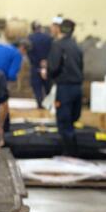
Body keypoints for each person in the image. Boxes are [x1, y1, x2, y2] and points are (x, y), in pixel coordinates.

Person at [47, 19, 83, 156]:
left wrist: (48, 72)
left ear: (59, 29)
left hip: (65, 89)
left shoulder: (57, 45)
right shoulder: (77, 46)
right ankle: (74, 153)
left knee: (64, 123)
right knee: (71, 122)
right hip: (77, 88)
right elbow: (80, 67)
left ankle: (69, 156)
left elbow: (54, 67)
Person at [28, 21, 53, 108]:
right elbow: (53, 51)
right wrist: (46, 61)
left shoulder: (30, 38)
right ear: (40, 28)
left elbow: (29, 52)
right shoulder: (49, 38)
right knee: (48, 87)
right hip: (47, 66)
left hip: (35, 66)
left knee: (37, 87)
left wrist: (36, 61)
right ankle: (49, 105)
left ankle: (40, 105)